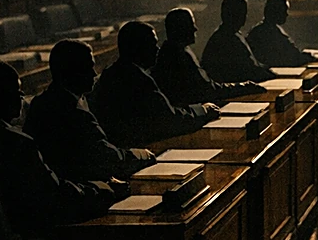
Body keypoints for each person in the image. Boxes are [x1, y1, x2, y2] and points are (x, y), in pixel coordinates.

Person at [0, 62, 122, 235]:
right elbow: (57, 199)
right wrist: (104, 189)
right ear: (3, 97)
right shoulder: (17, 144)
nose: (22, 96)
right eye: (17, 91)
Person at [24, 40, 157, 182]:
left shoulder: (45, 101)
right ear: (70, 72)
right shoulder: (71, 111)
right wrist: (141, 155)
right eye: (87, 67)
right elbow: (105, 158)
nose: (94, 73)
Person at [90, 21, 220, 148]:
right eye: (152, 44)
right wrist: (202, 110)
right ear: (138, 48)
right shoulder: (138, 80)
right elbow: (171, 120)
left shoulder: (110, 74)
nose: (157, 49)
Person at [154, 8, 264, 105]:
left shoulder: (172, 52)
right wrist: (244, 87)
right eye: (191, 24)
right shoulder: (181, 55)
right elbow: (208, 89)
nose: (195, 29)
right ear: (180, 28)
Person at [201, 0, 278, 83]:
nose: (245, 17)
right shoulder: (226, 40)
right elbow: (245, 70)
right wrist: (269, 75)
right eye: (242, 13)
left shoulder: (231, 35)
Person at [246, 0, 317, 68]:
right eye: (284, 10)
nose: (286, 14)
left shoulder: (270, 29)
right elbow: (288, 59)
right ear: (275, 11)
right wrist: (307, 58)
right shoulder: (265, 33)